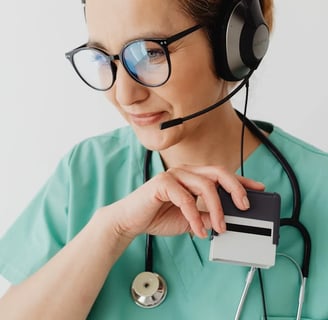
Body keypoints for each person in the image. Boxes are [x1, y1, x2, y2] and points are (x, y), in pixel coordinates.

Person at [0, 0, 328, 319]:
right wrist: (110, 231)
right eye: (103, 58)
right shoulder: (87, 172)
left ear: (234, 44)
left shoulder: (321, 188)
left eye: (150, 53)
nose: (124, 94)